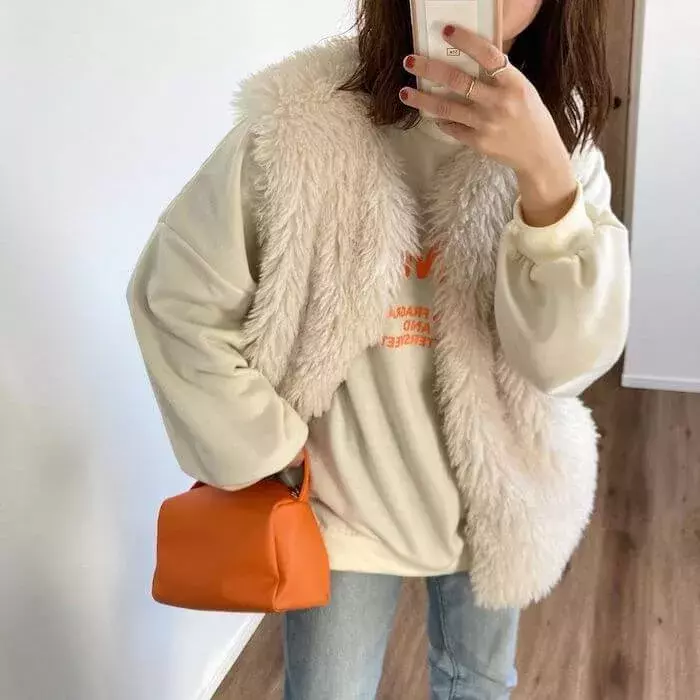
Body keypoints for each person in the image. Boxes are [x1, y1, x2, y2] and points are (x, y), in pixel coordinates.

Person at [128, 0, 630, 697]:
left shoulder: (559, 144)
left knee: (479, 687)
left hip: (499, 497)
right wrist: (265, 447)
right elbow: (174, 297)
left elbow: (563, 364)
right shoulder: (299, 121)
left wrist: (546, 181)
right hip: (344, 511)